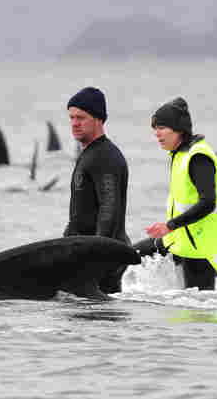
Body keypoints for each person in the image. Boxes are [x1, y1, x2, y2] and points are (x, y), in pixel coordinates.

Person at [133, 97, 217, 290]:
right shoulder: (180, 155)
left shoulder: (198, 157)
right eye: (154, 129)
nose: (156, 134)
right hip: (177, 240)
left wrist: (170, 225)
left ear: (178, 129)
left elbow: (208, 203)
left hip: (199, 251)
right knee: (126, 255)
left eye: (161, 128)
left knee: (196, 313)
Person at [64, 87, 131, 293]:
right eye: (72, 117)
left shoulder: (105, 157)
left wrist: (96, 258)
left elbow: (109, 210)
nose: (74, 123)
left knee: (99, 320)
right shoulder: (91, 154)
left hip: (102, 257)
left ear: (98, 119)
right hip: (88, 253)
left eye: (81, 117)